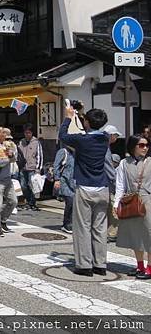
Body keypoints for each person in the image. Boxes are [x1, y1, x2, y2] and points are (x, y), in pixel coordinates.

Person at [59, 107, 110, 276]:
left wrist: (68, 117)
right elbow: (88, 133)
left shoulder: (82, 140)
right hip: (102, 188)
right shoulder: (105, 138)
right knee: (100, 228)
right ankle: (100, 264)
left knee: (82, 227)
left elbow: (63, 136)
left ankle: (84, 265)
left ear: (87, 122)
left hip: (85, 187)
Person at [114, 134, 151, 279]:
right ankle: (140, 265)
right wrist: (117, 204)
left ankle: (149, 267)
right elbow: (120, 184)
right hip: (130, 201)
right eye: (141, 145)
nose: (145, 148)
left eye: (147, 145)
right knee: (135, 235)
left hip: (148, 200)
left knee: (149, 234)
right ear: (133, 146)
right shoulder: (124, 163)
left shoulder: (150, 162)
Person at [17, 123, 43, 211]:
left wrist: (38, 168)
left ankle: (32, 203)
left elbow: (39, 156)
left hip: (32, 168)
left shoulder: (36, 142)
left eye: (29, 133)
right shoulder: (21, 142)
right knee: (23, 186)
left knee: (33, 186)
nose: (27, 134)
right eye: (25, 133)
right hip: (23, 168)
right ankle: (28, 201)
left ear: (32, 133)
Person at [104, 125, 122, 243]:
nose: (116, 138)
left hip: (99, 184)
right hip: (107, 185)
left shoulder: (102, 146)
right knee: (112, 209)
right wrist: (117, 183)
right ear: (111, 135)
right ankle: (111, 233)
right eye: (116, 135)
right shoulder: (105, 148)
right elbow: (109, 168)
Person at [53, 146, 76, 234]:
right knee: (70, 202)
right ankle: (67, 224)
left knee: (74, 203)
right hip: (65, 181)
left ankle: (71, 223)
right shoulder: (63, 151)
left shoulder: (77, 153)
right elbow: (56, 165)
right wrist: (57, 179)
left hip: (74, 182)